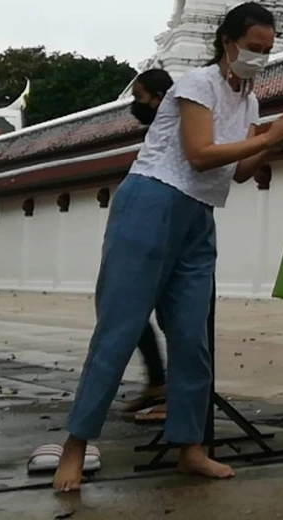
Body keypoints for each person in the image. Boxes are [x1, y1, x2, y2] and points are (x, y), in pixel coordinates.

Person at [52, 3, 283, 491]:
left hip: (198, 216)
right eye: (253, 48)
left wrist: (274, 139)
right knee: (120, 326)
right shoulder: (196, 84)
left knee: (193, 338)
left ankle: (189, 445)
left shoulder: (250, 103)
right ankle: (76, 444)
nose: (259, 58)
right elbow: (199, 155)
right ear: (227, 42)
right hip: (152, 201)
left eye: (266, 50)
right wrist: (271, 134)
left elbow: (236, 172)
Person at [120, 68, 175, 419]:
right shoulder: (158, 130)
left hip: (170, 225)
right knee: (131, 308)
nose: (135, 107)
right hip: (145, 225)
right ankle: (157, 382)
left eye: (140, 98)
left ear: (159, 99)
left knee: (176, 317)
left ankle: (173, 396)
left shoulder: (178, 124)